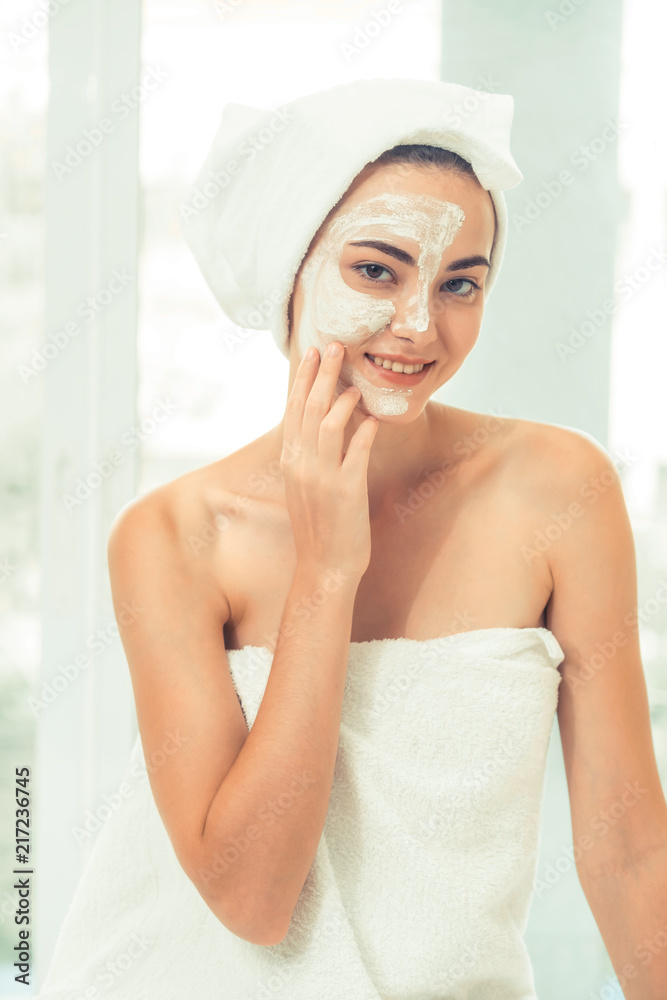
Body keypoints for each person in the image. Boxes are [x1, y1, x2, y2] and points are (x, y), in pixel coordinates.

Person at [36, 78, 667, 1000]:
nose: (419, 325)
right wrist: (326, 571)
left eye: (460, 284)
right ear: (288, 271)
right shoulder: (175, 537)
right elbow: (253, 900)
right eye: (376, 270)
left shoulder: (557, 491)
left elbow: (627, 846)